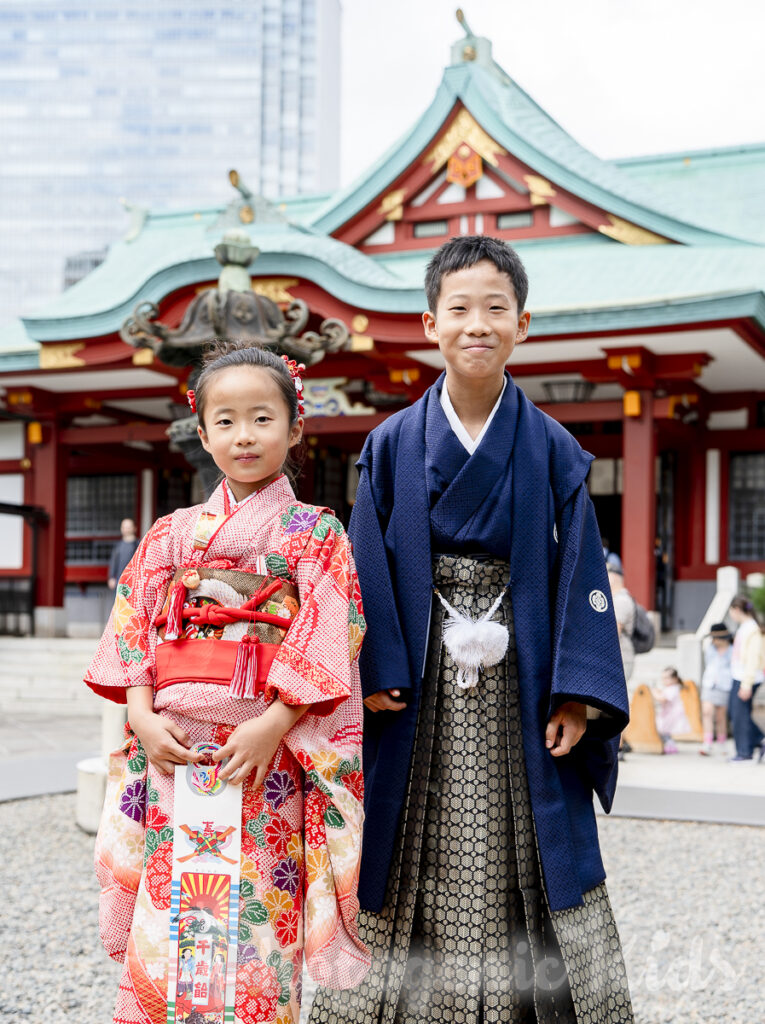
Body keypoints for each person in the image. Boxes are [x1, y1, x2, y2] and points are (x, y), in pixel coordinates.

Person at [309, 236, 633, 1024]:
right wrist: (376, 661)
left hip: (521, 675)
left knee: (521, 838)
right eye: (459, 308)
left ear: (522, 323)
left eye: (495, 308)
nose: (476, 324)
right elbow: (365, 561)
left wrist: (575, 692)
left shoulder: (553, 449)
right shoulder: (390, 444)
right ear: (429, 323)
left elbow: (580, 574)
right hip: (415, 671)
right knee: (409, 833)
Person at [85, 343, 369, 1024]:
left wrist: (273, 722)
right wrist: (142, 716)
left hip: (265, 756)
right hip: (173, 750)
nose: (245, 435)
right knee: (169, 912)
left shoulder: (315, 532)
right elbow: (134, 629)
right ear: (203, 433)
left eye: (262, 418)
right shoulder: (171, 534)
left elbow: (335, 631)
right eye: (227, 421)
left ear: (295, 428)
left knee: (255, 916)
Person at [727, 595, 765, 762]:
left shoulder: (751, 629)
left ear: (736, 610)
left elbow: (753, 658)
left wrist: (747, 684)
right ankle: (758, 741)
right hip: (740, 676)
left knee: (739, 715)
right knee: (738, 713)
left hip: (746, 678)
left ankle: (745, 752)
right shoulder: (746, 627)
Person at [699, 623, 733, 756]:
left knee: (720, 716)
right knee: (707, 712)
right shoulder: (710, 649)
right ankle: (707, 742)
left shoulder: (732, 650)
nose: (713, 641)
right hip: (709, 684)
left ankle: (721, 742)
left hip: (724, 685)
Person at [608, 565, 636, 685]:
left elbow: (614, 633)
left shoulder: (621, 601)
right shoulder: (617, 599)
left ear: (613, 577)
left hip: (621, 659)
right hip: (618, 659)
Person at [653, 667, 690, 754]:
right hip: (668, 713)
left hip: (671, 714)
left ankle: (671, 745)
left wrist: (654, 693)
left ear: (675, 679)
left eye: (666, 678)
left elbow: (663, 699)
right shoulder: (671, 688)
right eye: (663, 678)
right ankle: (668, 744)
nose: (664, 680)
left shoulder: (673, 688)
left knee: (663, 730)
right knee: (664, 731)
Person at [108, 517, 140, 590]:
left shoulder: (139, 545)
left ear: (135, 528)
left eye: (129, 527)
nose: (126, 529)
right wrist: (111, 577)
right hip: (120, 580)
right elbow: (113, 561)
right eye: (124, 527)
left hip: (135, 581)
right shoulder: (118, 545)